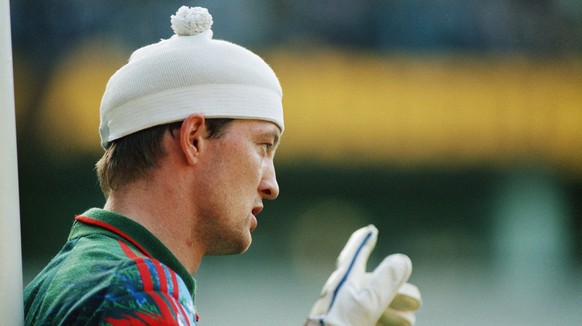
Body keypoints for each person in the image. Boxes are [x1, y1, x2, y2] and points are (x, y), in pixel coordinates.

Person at [23, 6, 421, 326]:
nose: (272, 184)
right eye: (263, 146)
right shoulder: (133, 287)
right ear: (194, 138)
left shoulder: (84, 273)